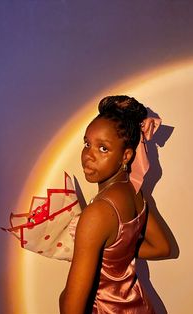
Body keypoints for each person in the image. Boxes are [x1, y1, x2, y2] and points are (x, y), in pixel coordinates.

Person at [59, 95, 171, 314]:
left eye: (103, 149)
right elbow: (161, 247)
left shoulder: (98, 213)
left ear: (126, 156)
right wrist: (114, 252)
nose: (88, 156)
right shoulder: (134, 193)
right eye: (87, 144)